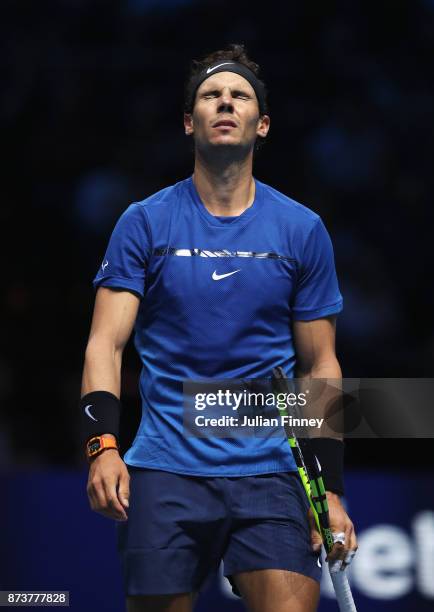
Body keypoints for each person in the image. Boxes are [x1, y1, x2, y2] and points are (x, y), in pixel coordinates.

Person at [80, 44, 357, 612]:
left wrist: (328, 488)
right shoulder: (145, 222)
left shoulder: (302, 231)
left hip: (273, 473)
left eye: (240, 95)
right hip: (163, 470)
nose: (225, 102)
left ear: (263, 123)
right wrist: (102, 446)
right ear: (190, 122)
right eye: (211, 95)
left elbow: (319, 366)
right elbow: (105, 343)